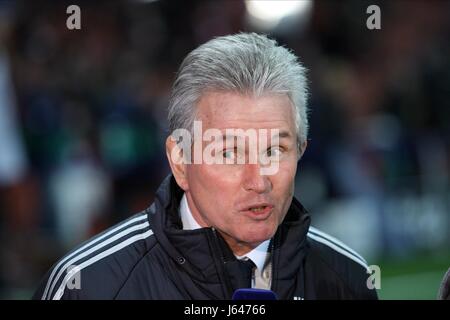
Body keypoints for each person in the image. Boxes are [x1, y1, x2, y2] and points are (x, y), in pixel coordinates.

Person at [33, 33, 378, 300]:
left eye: (275, 150)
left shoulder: (347, 278)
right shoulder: (89, 285)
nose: (258, 180)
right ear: (180, 161)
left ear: (302, 151)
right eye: (228, 154)